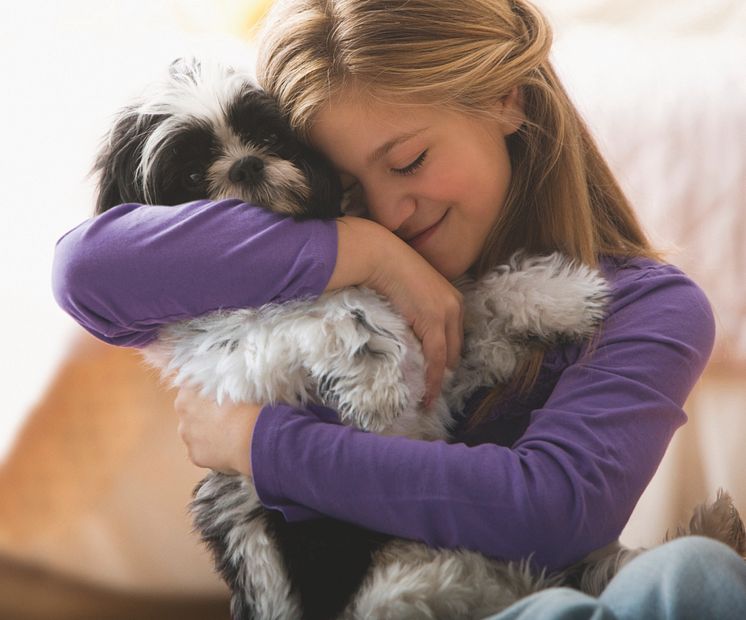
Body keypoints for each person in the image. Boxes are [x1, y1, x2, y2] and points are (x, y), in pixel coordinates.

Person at [52, 0, 746, 617]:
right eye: (347, 183)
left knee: (697, 577)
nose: (387, 210)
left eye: (408, 161)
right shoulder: (331, 262)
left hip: (521, 592)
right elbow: (85, 269)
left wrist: (258, 444)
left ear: (508, 98)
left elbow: (552, 507)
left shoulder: (649, 307)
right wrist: (360, 251)